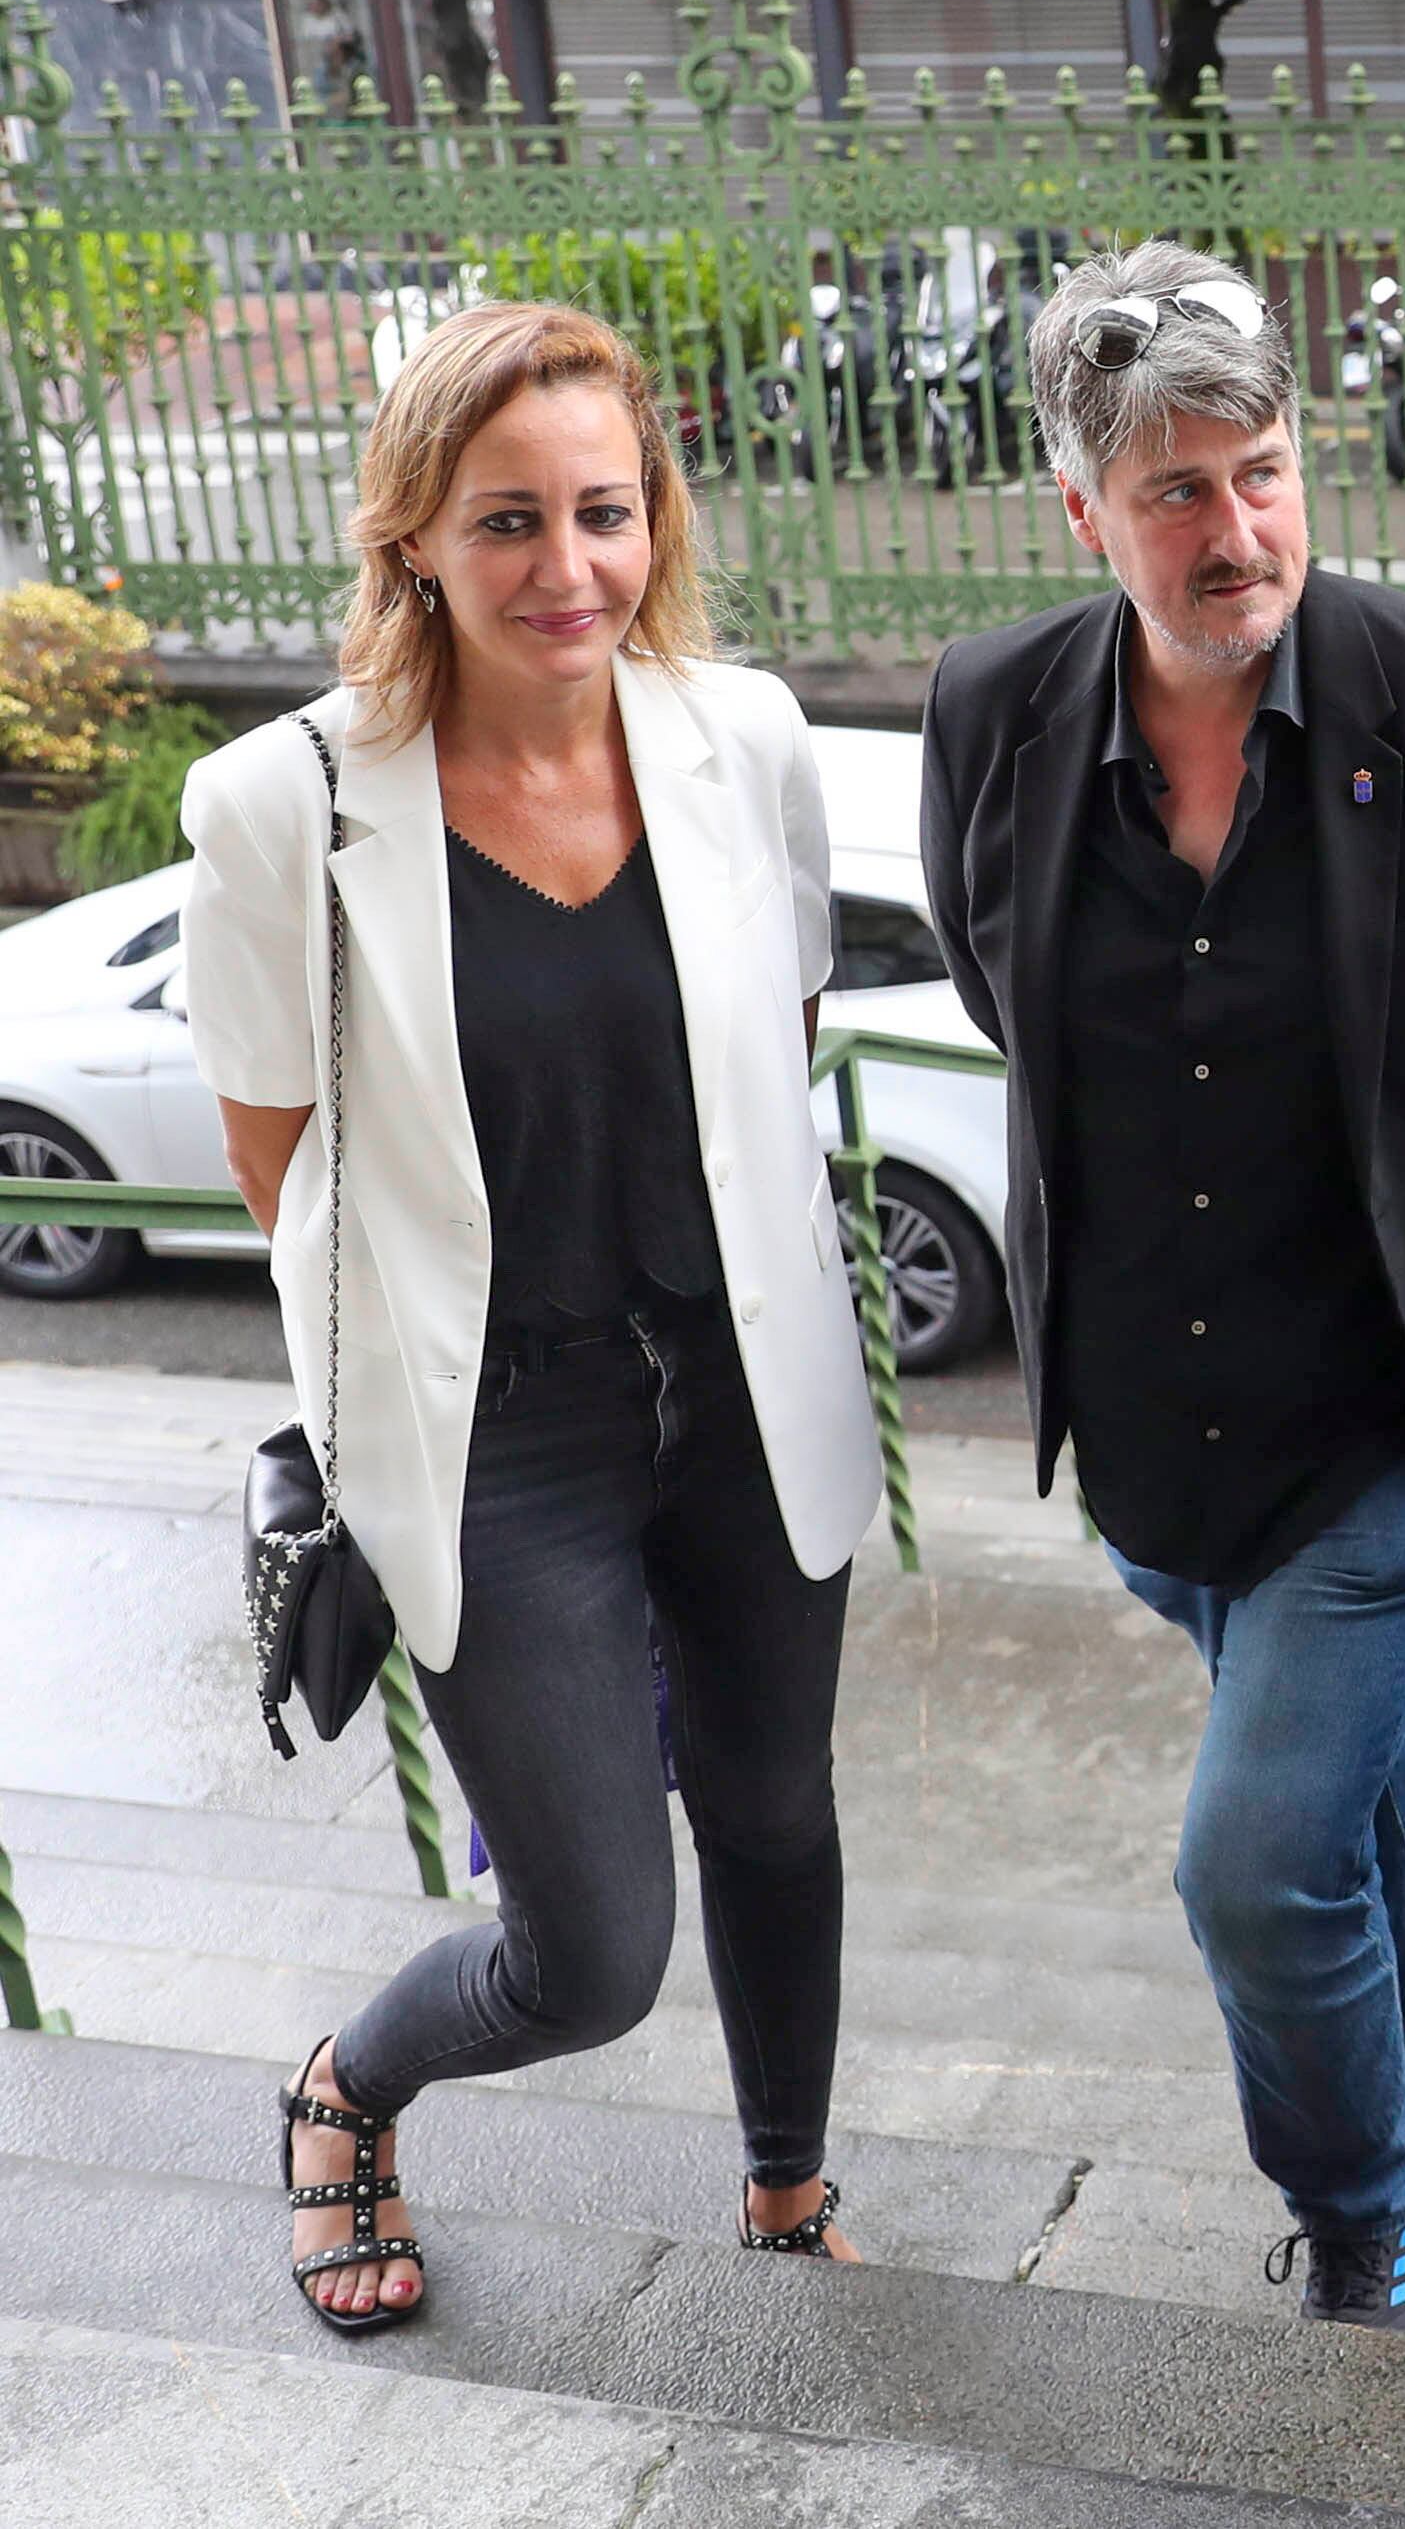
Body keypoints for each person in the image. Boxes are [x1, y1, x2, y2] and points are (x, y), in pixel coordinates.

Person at [914, 241, 1405, 2334]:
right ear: (1082, 514)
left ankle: (1362, 2220)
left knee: (1253, 1856)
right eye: (1177, 496)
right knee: (1361, 1783)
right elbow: (990, 976)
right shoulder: (994, 713)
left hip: (1400, 1417)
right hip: (1154, 1430)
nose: (1237, 532)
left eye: (1264, 473)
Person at [180, 300, 885, 2328]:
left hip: (748, 1392)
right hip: (499, 1436)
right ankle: (348, 2087)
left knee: (775, 1811)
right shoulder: (280, 807)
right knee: (586, 1955)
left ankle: (782, 2185)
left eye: (603, 512)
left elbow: (782, 1056)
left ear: (655, 518)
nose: (566, 569)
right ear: (411, 536)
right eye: (506, 522)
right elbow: (283, 1167)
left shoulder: (745, 741)